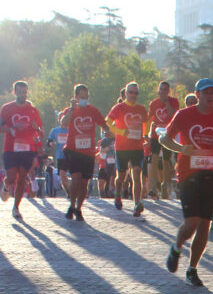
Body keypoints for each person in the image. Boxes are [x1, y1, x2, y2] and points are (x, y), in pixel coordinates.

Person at [161, 78, 213, 287]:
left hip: (211, 176)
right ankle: (177, 248)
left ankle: (192, 269)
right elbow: (164, 139)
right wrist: (181, 149)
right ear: (197, 94)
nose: (210, 95)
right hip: (188, 175)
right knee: (191, 223)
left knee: (205, 224)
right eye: (206, 92)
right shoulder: (184, 115)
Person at [59, 84, 109, 221]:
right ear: (75, 97)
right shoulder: (70, 110)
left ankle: (78, 208)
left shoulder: (93, 110)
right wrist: (71, 109)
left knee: (84, 184)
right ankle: (72, 205)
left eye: (86, 97)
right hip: (73, 150)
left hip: (88, 152)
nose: (84, 100)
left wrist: (108, 131)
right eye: (81, 97)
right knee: (75, 179)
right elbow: (63, 124)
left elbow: (103, 124)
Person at [0, 80, 43, 220]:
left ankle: (16, 207)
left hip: (27, 148)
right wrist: (12, 128)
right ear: (14, 92)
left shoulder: (33, 110)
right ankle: (6, 187)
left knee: (22, 177)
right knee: (11, 177)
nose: (23, 95)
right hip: (10, 148)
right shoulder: (6, 108)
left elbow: (41, 132)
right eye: (20, 92)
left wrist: (37, 128)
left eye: (25, 92)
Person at [106, 81, 149, 215]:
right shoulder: (119, 107)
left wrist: (146, 135)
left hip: (137, 147)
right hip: (122, 148)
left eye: (136, 93)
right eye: (130, 92)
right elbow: (107, 122)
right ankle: (118, 193)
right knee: (121, 177)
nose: (133, 95)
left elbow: (146, 122)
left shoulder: (141, 108)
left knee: (136, 174)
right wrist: (120, 131)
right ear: (125, 93)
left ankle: (137, 203)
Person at [147, 81, 180, 201]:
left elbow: (174, 116)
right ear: (158, 90)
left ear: (168, 91)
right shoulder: (153, 103)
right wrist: (147, 135)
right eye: (161, 89)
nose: (163, 92)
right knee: (154, 158)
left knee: (166, 160)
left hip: (168, 134)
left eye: (166, 89)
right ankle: (154, 185)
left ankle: (165, 184)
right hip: (156, 135)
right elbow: (149, 119)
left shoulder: (174, 101)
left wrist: (167, 103)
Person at [46, 113, 71, 197]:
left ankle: (79, 191)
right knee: (62, 174)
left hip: (72, 155)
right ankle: (69, 192)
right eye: (63, 120)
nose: (64, 122)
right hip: (61, 156)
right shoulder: (55, 130)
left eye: (66, 121)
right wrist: (51, 143)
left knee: (76, 175)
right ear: (60, 121)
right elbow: (48, 142)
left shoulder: (71, 130)